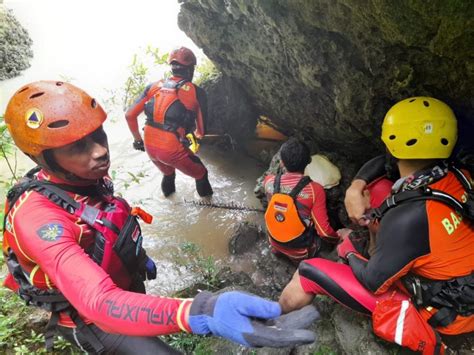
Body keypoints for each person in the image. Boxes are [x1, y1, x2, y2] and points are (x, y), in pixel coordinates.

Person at [2, 81, 319, 354]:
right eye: (77, 146)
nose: (100, 151)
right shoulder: (38, 218)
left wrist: (137, 259)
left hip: (123, 286)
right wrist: (203, 310)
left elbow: (105, 228)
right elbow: (97, 302)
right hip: (92, 319)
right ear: (42, 157)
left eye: (99, 135)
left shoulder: (81, 180)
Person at [278, 97, 474, 354]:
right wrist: (357, 185)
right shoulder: (459, 173)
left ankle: (275, 321)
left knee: (307, 271)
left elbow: (373, 281)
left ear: (391, 143)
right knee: (379, 187)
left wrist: (347, 248)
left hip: (448, 315)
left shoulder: (407, 218)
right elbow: (383, 163)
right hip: (458, 278)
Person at [125, 46, 213, 198]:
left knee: (168, 173)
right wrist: (195, 136)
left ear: (172, 68)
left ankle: (170, 201)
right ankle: (209, 209)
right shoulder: (196, 92)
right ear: (190, 69)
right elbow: (201, 131)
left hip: (149, 146)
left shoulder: (154, 86)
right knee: (201, 173)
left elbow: (129, 115)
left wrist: (138, 140)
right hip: (171, 149)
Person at [263, 138, 339, 263]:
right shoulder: (315, 190)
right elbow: (325, 232)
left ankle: (278, 250)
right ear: (308, 162)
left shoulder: (269, 181)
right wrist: (337, 238)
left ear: (281, 162)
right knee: (332, 221)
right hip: (300, 252)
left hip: (274, 241)